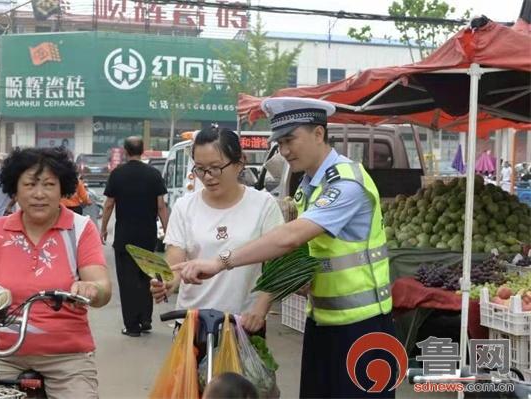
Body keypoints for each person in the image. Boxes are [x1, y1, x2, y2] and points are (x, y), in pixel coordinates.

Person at [173, 98, 396, 398]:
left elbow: (289, 238)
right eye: (280, 142)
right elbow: (305, 254)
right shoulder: (309, 186)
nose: (285, 151)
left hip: (363, 326)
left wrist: (221, 261)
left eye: (291, 140)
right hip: (322, 321)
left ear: (318, 134)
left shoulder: (346, 184)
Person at [0, 147, 112, 398]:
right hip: (6, 354)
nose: (39, 194)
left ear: (63, 189)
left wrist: (92, 289)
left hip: (67, 359)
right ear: (15, 190)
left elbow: (102, 286)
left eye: (49, 185)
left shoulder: (80, 229)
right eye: (29, 185)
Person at [150, 127, 284, 334]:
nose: (208, 176)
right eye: (200, 169)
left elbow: (277, 263)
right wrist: (169, 280)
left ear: (240, 163)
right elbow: (176, 255)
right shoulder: (185, 206)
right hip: (192, 322)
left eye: (216, 167)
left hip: (243, 322)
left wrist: (261, 306)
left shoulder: (263, 205)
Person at [101, 137, 169, 337]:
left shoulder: (117, 174)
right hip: (147, 237)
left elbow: (108, 204)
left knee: (128, 281)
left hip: (125, 238)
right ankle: (145, 320)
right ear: (143, 150)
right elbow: (161, 206)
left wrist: (103, 228)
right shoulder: (154, 174)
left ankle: (132, 326)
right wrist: (168, 231)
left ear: (125, 151)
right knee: (148, 277)